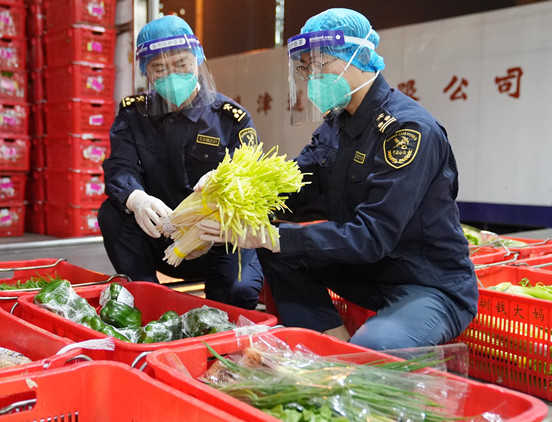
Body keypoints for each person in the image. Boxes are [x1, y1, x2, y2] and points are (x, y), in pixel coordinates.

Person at [199, 8, 478, 349]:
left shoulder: (406, 131)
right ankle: (330, 344)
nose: (311, 76)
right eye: (306, 68)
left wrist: (273, 236)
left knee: (374, 351)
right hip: (366, 272)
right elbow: (293, 186)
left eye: (321, 64)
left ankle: (354, 352)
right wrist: (232, 186)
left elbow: (372, 237)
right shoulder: (336, 124)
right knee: (276, 250)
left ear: (359, 58)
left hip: (424, 280)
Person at [97, 15, 264, 310]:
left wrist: (225, 187)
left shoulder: (230, 118)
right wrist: (136, 198)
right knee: (112, 211)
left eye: (181, 64)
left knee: (238, 293)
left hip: (218, 240)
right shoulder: (135, 114)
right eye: (159, 68)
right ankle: (146, 299)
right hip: (161, 239)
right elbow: (120, 165)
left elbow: (251, 178)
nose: (172, 74)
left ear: (197, 60)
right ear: (145, 71)